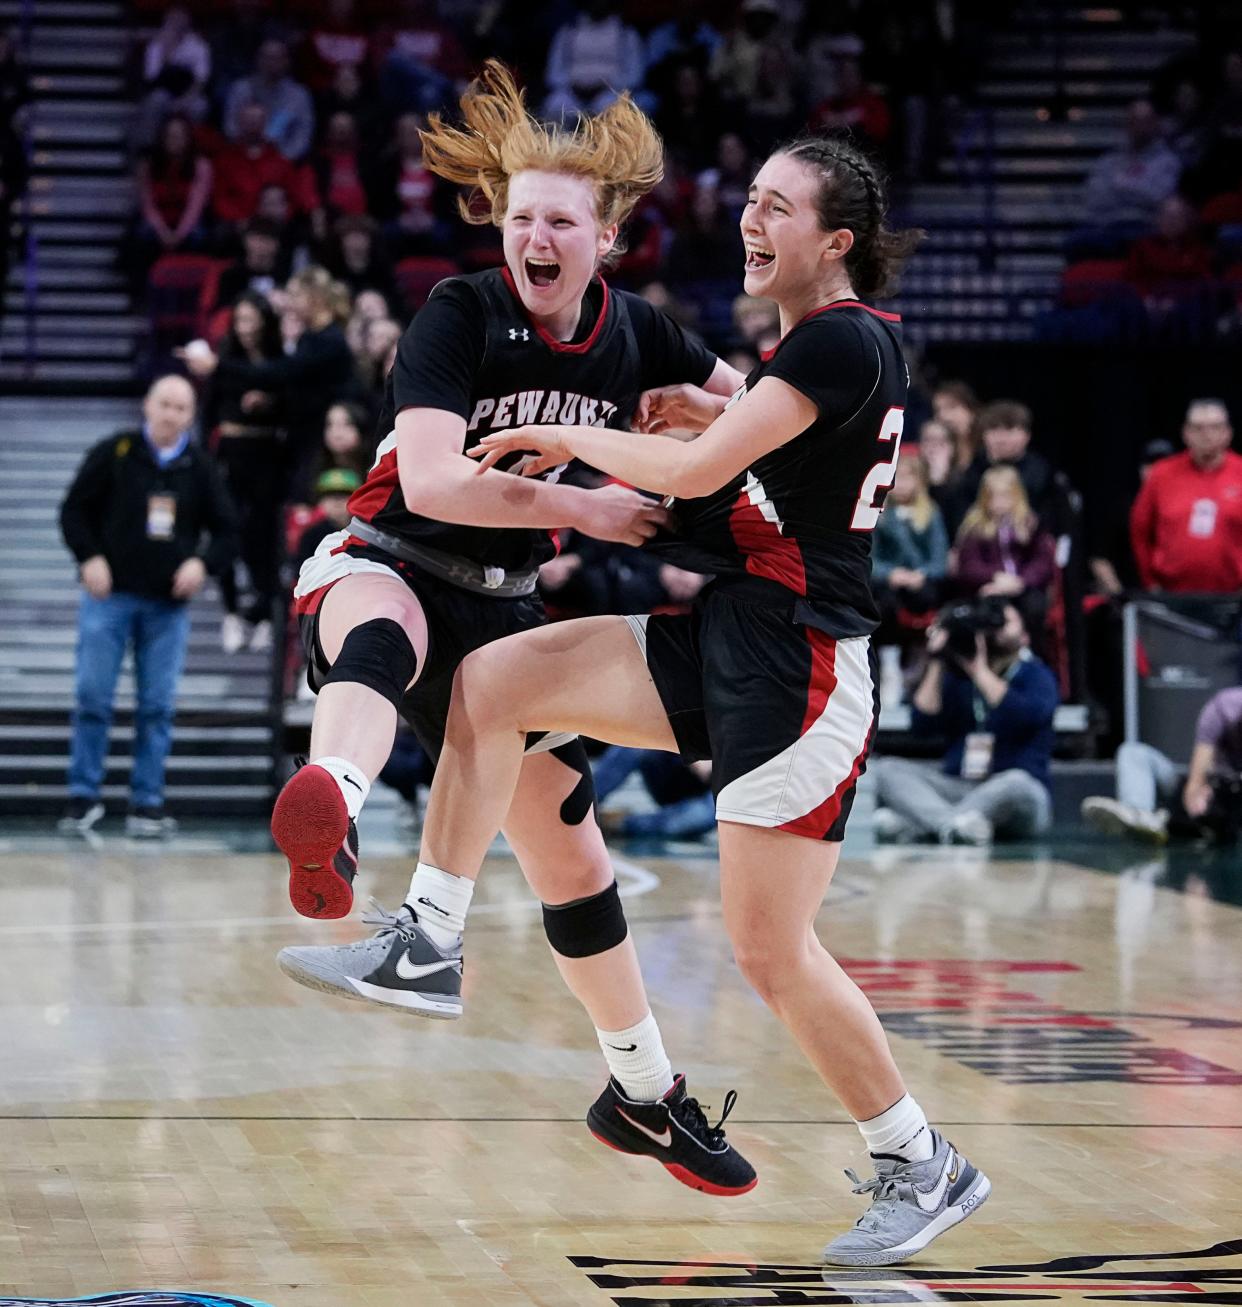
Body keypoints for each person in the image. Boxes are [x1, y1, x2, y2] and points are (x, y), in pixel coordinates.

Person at [296, 131, 991, 1265]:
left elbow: (692, 481)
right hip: (728, 625)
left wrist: (578, 435)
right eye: (751, 200)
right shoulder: (805, 353)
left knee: (769, 948)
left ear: (836, 240)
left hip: (800, 660)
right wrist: (695, 421)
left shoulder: (845, 341)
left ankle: (922, 1158)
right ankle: (427, 934)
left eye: (774, 206)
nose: (749, 222)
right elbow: (731, 462)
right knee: (496, 677)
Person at [267, 63, 755, 1197]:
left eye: (558, 220)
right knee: (373, 629)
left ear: (607, 233)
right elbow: (433, 482)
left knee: (575, 863)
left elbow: (766, 416)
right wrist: (582, 503)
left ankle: (645, 1090)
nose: (533, 236)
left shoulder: (642, 336)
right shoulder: (462, 310)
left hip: (506, 609)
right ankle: (332, 802)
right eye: (518, 216)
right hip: (395, 553)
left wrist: (718, 425)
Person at [57, 376, 238, 838]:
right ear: (147, 405)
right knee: (93, 697)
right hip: (109, 597)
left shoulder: (200, 467)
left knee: (157, 706)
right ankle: (83, 798)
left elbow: (227, 530)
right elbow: (73, 510)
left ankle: (147, 802)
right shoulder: (115, 452)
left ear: (191, 416)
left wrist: (202, 563)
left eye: (181, 407)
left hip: (167, 608)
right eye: (164, 404)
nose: (171, 414)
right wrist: (89, 557)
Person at [870, 602, 1058, 846]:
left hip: (1014, 792)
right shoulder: (957, 677)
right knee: (887, 770)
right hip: (961, 786)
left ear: (1025, 637)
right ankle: (953, 826)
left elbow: (1024, 717)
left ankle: (926, 825)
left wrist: (979, 670)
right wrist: (938, 658)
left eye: (1006, 624)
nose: (996, 632)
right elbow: (921, 724)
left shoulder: (1036, 675)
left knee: (1017, 783)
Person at [183, 266, 358, 505]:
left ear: (314, 297)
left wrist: (217, 365)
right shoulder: (311, 337)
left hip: (319, 443)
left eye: (295, 297)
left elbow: (282, 372)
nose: (290, 305)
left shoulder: (329, 341)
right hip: (303, 440)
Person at [200, 291, 286, 655]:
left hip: (267, 454)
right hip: (231, 453)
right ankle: (232, 610)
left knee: (263, 536)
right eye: (241, 321)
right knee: (227, 530)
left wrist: (270, 403)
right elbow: (209, 411)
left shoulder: (280, 360)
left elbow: (292, 403)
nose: (246, 329)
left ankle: (264, 612)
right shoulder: (226, 359)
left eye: (252, 321)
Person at [1082, 685, 1242, 844]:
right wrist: (1199, 795)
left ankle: (1164, 822)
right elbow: (1195, 782)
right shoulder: (1224, 706)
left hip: (1230, 811)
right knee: (1132, 752)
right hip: (1202, 790)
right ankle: (1139, 814)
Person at [1129, 398, 1242, 594]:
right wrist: (1150, 582)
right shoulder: (1161, 474)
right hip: (1172, 596)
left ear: (1227, 433)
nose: (1206, 435)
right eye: (1198, 428)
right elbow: (1140, 530)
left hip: (1233, 598)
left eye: (1214, 427)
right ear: (1186, 433)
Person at [952, 466, 1057, 641]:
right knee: (989, 611)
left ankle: (1031, 654)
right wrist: (995, 577)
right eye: (993, 496)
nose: (999, 502)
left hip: (1024, 587)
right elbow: (969, 566)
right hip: (989, 588)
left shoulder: (1030, 525)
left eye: (1005, 496)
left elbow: (1042, 562)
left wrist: (1021, 582)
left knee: (1035, 607)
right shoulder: (974, 527)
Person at [223, 38, 315, 162]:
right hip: (243, 160)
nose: (271, 63)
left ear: (286, 61)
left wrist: (282, 160)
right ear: (258, 59)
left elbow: (303, 135)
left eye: (277, 58)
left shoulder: (299, 95)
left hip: (284, 162)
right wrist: (249, 155)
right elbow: (231, 127)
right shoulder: (241, 89)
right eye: (267, 57)